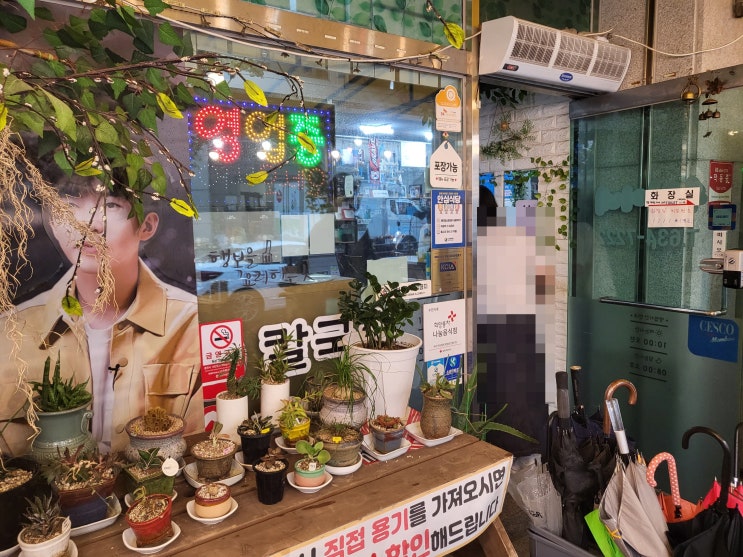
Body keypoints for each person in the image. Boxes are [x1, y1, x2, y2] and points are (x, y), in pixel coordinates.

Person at [0, 155, 203, 456]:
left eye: (110, 206)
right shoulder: (14, 331)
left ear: (146, 226)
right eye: (70, 205)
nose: (87, 224)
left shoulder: (187, 323)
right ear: (53, 220)